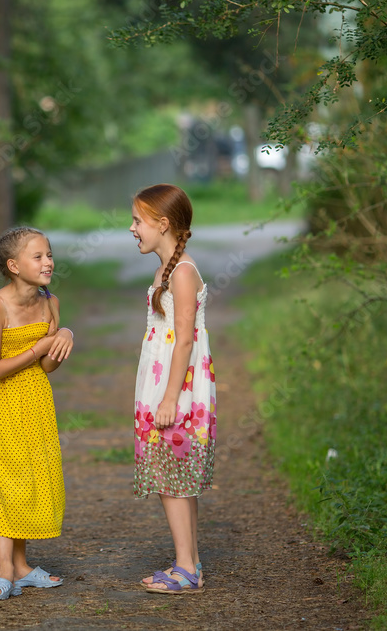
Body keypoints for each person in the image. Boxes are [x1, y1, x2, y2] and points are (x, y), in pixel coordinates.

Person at [0, 226, 75, 600]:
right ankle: (5, 571)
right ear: (13, 265)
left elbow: (47, 368)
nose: (48, 262)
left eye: (49, 254)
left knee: (27, 479)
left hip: (35, 401)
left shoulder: (50, 303)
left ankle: (24, 567)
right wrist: (39, 344)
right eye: (38, 256)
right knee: (4, 480)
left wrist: (64, 337)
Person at [128, 184, 216, 594]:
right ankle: (190, 561)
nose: (132, 229)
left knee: (171, 477)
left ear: (162, 225)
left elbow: (183, 340)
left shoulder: (182, 273)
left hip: (175, 389)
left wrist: (167, 399)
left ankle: (185, 568)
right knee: (175, 476)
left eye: (137, 221)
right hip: (162, 383)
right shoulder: (166, 269)